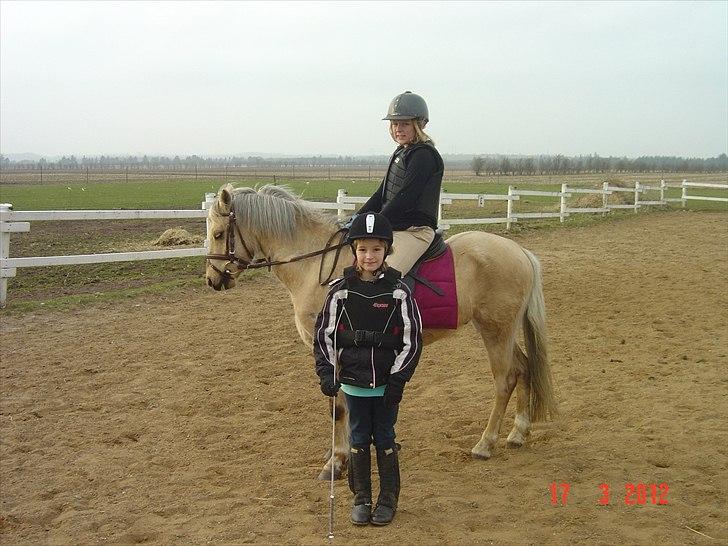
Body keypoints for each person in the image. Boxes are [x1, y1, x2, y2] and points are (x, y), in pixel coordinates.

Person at [314, 212, 423, 526]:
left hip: (386, 385)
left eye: (376, 249)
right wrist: (326, 371)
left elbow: (412, 340)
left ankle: (387, 500)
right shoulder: (339, 291)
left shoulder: (400, 292)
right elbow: (324, 335)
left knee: (386, 438)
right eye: (363, 249)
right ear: (354, 251)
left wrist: (398, 380)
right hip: (353, 385)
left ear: (386, 250)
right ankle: (361, 499)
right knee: (359, 438)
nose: (369, 256)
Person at [353, 91, 445, 276]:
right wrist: (357, 218)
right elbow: (382, 194)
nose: (398, 129)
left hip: (415, 231)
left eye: (405, 124)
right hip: (394, 227)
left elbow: (406, 197)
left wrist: (376, 222)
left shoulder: (423, 155)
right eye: (395, 123)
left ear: (419, 125)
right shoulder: (400, 153)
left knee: (381, 275)